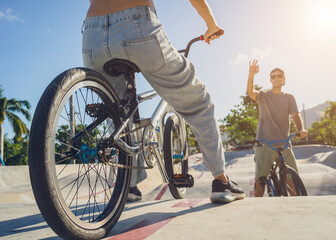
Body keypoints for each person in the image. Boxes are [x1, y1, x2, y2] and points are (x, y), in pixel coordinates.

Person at [82, 0, 245, 203]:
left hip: (91, 35)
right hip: (136, 25)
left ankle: (128, 184)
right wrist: (211, 25)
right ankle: (222, 181)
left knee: (118, 113)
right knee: (199, 101)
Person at [246, 59, 308, 197]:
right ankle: (256, 208)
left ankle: (297, 208)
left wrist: (301, 129)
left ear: (283, 79)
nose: (276, 78)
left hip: (284, 143)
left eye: (279, 75)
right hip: (264, 143)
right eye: (273, 76)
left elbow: (296, 115)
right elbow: (250, 93)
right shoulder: (263, 95)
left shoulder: (289, 98)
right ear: (270, 80)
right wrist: (251, 75)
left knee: (292, 178)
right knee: (260, 180)